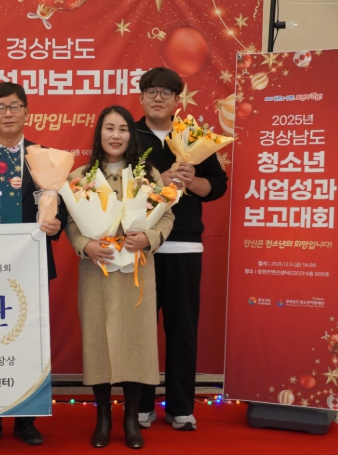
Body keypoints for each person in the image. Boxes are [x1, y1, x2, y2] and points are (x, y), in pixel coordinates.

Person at [64, 106, 174, 449]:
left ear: (131, 135)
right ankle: (102, 418)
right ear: (99, 133)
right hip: (97, 270)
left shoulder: (147, 175)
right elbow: (71, 222)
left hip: (136, 271)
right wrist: (85, 245)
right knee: (98, 341)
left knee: (135, 343)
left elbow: (166, 216)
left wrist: (149, 238)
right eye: (109, 128)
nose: (115, 135)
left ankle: (131, 419)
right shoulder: (81, 176)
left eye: (123, 129)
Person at [0, 82, 68, 447]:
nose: (8, 113)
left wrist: (57, 225)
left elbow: (61, 211)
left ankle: (27, 420)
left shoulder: (46, 159)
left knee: (30, 342)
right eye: (0, 107)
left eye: (15, 106)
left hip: (32, 266)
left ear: (27, 112)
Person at [136, 67, 228, 431]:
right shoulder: (129, 136)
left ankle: (180, 407)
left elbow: (217, 187)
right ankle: (141, 405)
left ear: (177, 100)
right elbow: (115, 187)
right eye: (151, 92)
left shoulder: (193, 136)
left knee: (182, 330)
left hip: (185, 245)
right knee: (140, 330)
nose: (158, 98)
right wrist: (156, 182)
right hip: (140, 245)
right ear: (141, 97)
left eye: (166, 93)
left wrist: (194, 180)